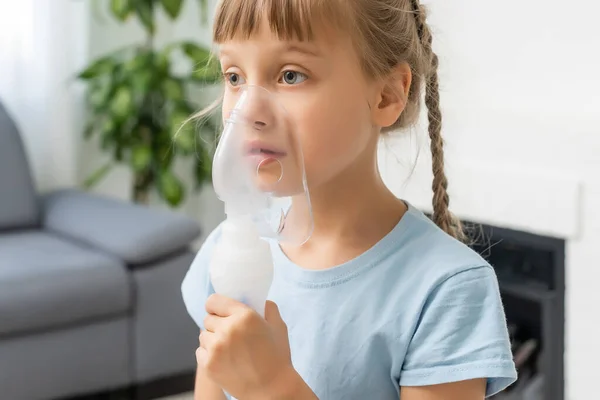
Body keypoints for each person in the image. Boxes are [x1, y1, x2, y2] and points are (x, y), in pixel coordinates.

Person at [181, 0, 518, 399]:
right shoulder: (229, 250)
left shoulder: (444, 290)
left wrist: (272, 387)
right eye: (234, 77)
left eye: (290, 75)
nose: (248, 110)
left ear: (387, 96)